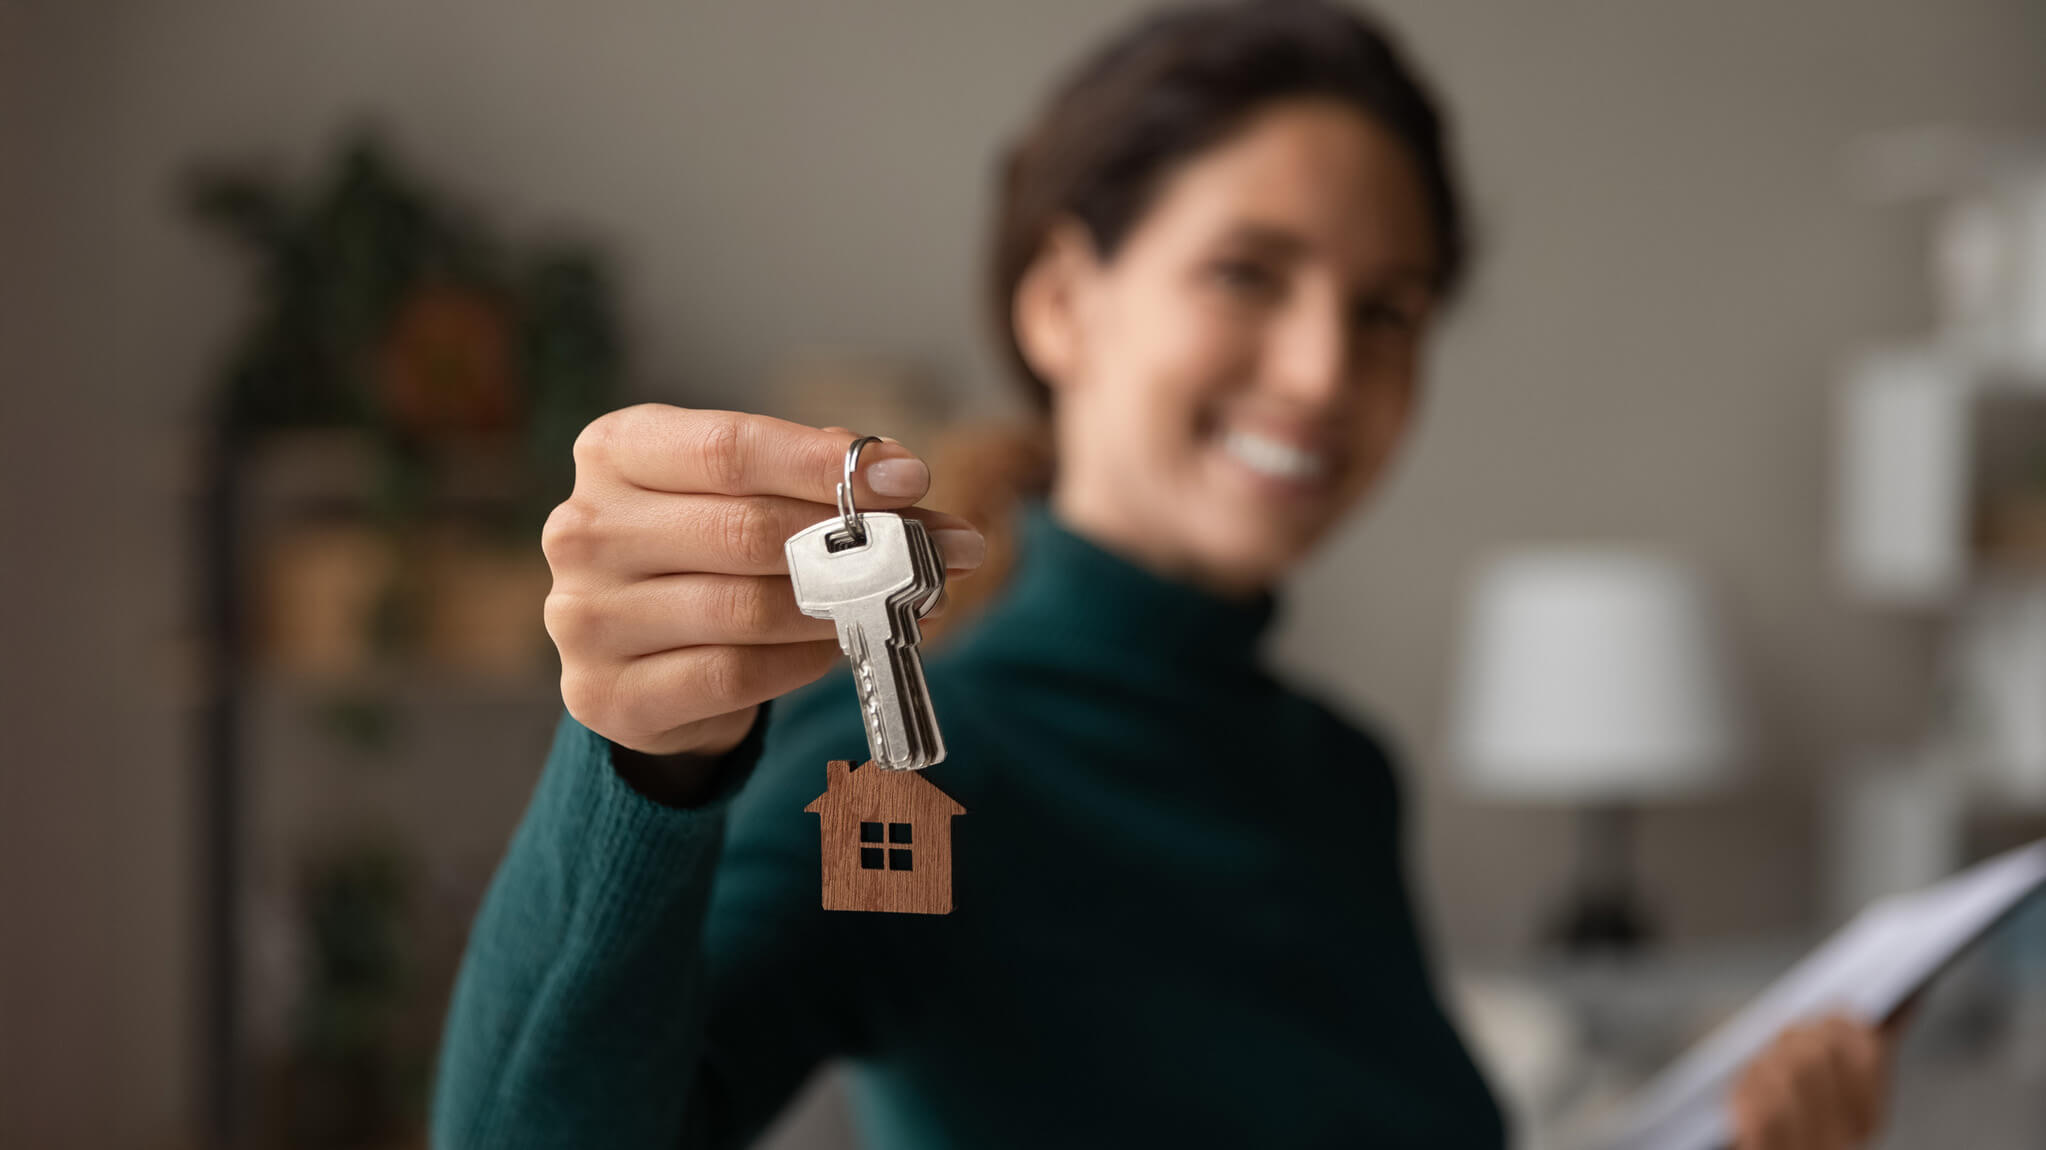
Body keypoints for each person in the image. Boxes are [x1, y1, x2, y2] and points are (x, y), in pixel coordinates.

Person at [431, 3, 1900, 1147]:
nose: (1325, 371)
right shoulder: (910, 770)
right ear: (1064, 301)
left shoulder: (1335, 772)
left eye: (1385, 311)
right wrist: (643, 764)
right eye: (1249, 274)